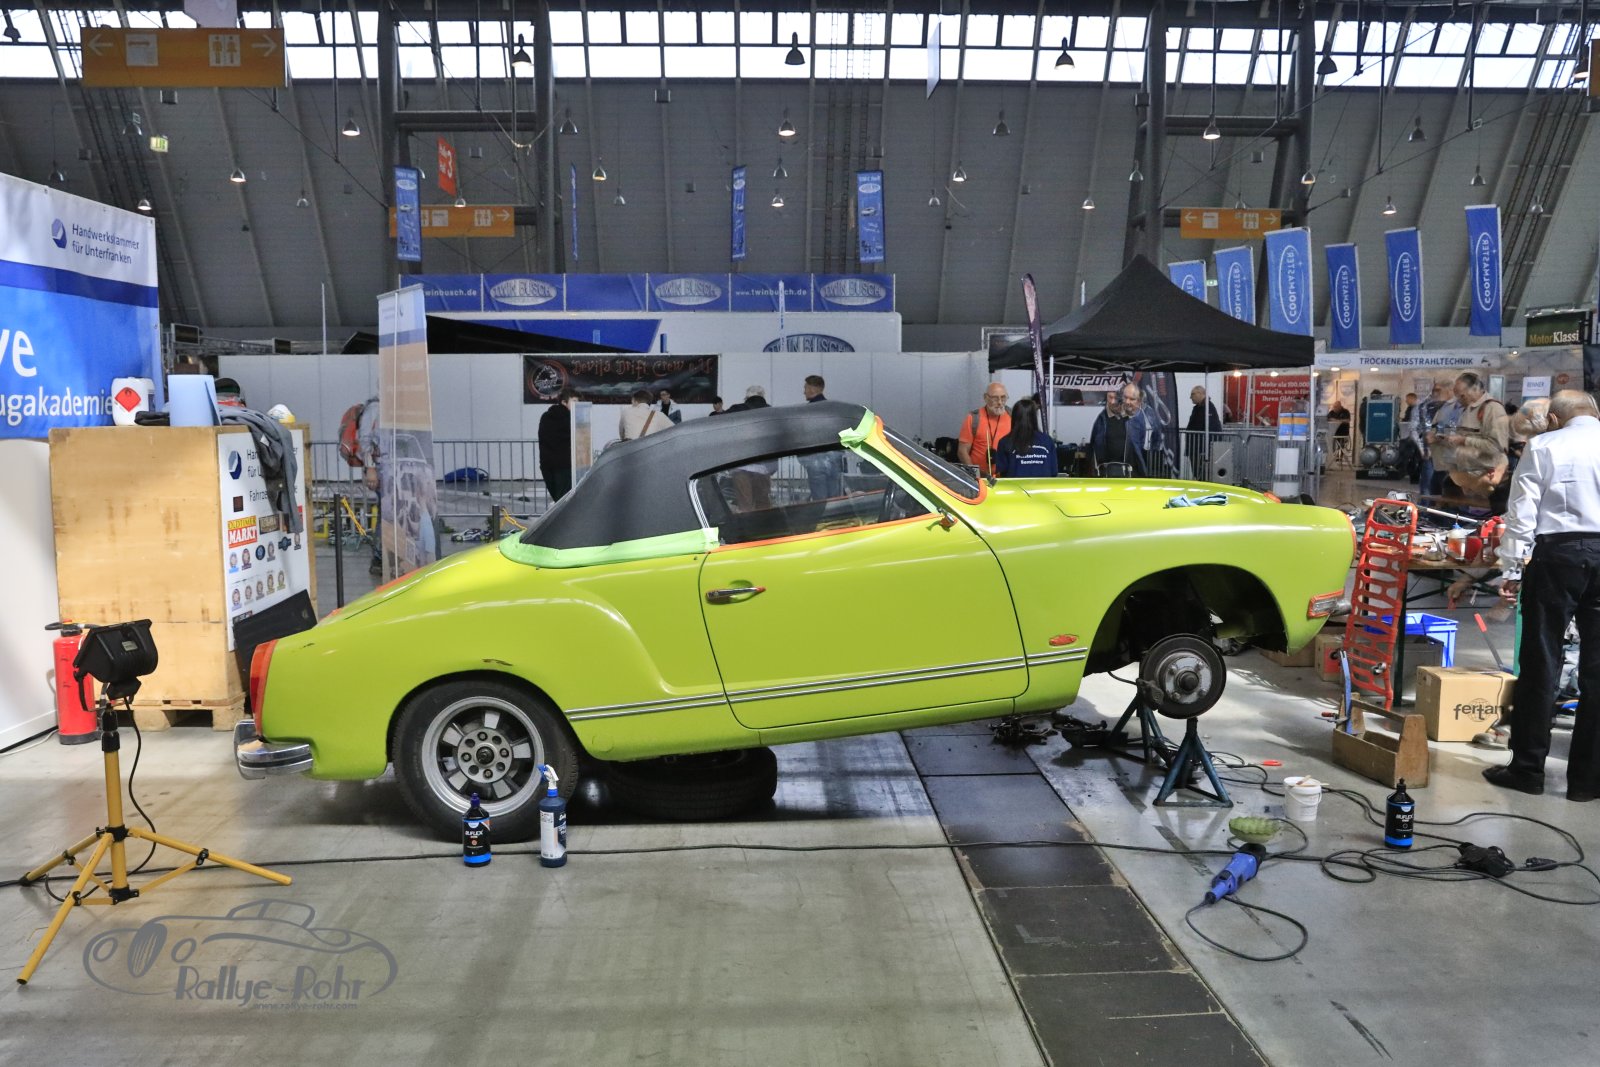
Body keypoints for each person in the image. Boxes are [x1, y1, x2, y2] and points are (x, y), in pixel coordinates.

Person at [1485, 390, 1600, 801]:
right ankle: (1588, 782)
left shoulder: (1545, 446)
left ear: (1553, 418)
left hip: (1558, 557)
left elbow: (1522, 513)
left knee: (1542, 662)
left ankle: (1528, 771)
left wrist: (1512, 570)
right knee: (1597, 671)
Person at [1437, 372, 1509, 494]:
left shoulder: (1493, 409)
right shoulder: (1467, 409)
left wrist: (1464, 440)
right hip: (1466, 476)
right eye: (1457, 397)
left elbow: (1496, 447)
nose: (1459, 400)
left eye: (1462, 396)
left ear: (1475, 389)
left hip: (1485, 477)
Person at [1090, 380, 1164, 477]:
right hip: (1107, 473)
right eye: (1125, 397)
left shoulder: (1144, 415)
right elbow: (1095, 444)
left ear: (1139, 401)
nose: (1127, 402)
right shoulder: (1104, 417)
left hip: (1134, 473)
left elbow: (1156, 441)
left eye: (1132, 399)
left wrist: (1148, 466)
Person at [725, 386, 775, 508]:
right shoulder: (772, 411)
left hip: (740, 464)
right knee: (763, 503)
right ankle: (767, 521)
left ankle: (748, 521)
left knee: (745, 504)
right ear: (762, 397)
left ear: (746, 398)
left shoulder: (735, 410)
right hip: (764, 466)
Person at [799, 375, 844, 499]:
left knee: (820, 500)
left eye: (805, 388)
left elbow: (802, 435)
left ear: (812, 389)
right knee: (834, 499)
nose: (804, 392)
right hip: (834, 459)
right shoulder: (834, 409)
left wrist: (803, 459)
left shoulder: (806, 411)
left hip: (815, 460)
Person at [993, 397, 1058, 478]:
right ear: (1034, 417)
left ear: (1014, 417)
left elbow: (1001, 473)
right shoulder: (1047, 441)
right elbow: (1054, 472)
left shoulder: (1005, 442)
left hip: (1016, 486)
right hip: (1043, 486)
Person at [957, 384, 1011, 478]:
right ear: (986, 398)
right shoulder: (973, 418)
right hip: (980, 479)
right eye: (995, 398)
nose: (1000, 402)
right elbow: (962, 451)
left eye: (1003, 398)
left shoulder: (1012, 417)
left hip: (1005, 479)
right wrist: (975, 476)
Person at [538, 387, 579, 503]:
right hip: (564, 466)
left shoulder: (546, 416)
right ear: (564, 402)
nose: (577, 406)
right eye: (574, 402)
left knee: (558, 499)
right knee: (564, 501)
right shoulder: (570, 419)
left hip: (547, 465)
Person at [1184, 386, 1223, 479]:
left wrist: (1205, 449)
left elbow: (1211, 428)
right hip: (1195, 447)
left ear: (1200, 394)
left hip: (1201, 449)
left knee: (1202, 473)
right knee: (1197, 472)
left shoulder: (1208, 408)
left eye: (1193, 394)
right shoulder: (1199, 408)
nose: (1191, 397)